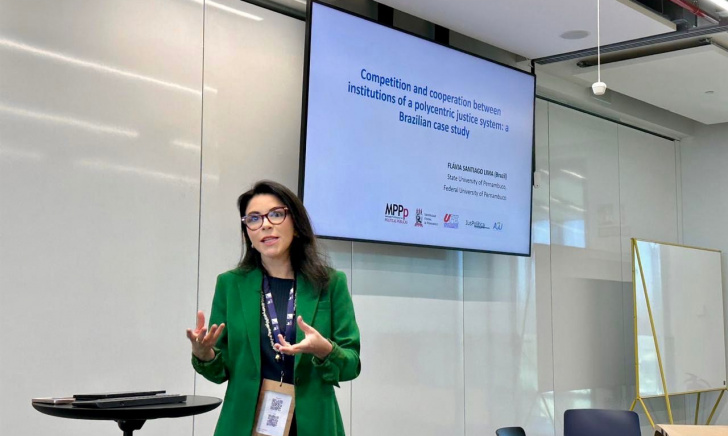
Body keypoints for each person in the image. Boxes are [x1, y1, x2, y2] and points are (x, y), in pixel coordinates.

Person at [186, 180, 361, 436]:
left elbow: (351, 365)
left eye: (276, 214)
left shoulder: (330, 283)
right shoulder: (230, 285)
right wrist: (204, 354)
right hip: (246, 425)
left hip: (314, 425)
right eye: (254, 219)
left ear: (296, 225)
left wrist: (325, 350)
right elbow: (219, 371)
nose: (265, 225)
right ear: (247, 233)